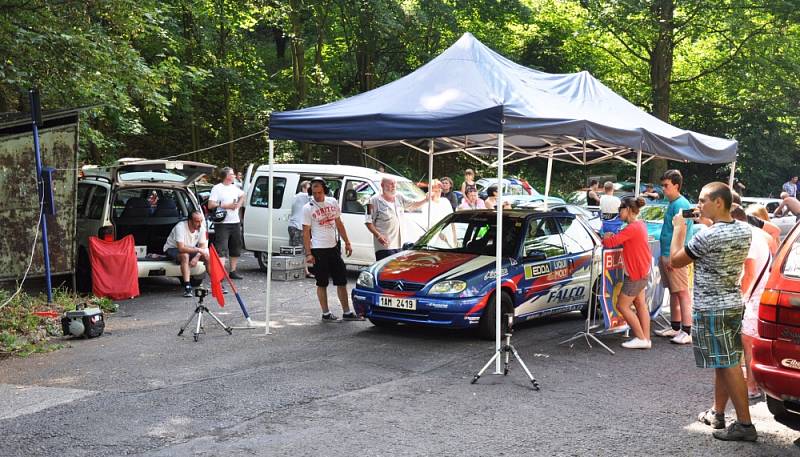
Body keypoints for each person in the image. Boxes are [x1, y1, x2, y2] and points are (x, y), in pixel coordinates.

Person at [670, 182, 757, 442]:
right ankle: (718, 413)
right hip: (732, 303)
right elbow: (723, 232)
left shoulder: (707, 236)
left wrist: (679, 228)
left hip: (712, 308)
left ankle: (745, 424)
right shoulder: (744, 229)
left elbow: (675, 261)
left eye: (702, 200)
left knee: (728, 363)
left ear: (718, 202)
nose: (698, 205)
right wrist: (708, 221)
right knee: (724, 360)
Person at [303, 177, 360, 322]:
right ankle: (326, 313)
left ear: (325, 190)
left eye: (319, 192)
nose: (316, 195)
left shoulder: (332, 202)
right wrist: (309, 253)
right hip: (318, 249)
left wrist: (347, 242)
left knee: (341, 281)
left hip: (333, 247)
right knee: (322, 282)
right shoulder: (308, 208)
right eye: (314, 192)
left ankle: (347, 312)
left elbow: (339, 223)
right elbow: (305, 232)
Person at [731, 205, 772, 400]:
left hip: (755, 298)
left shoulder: (748, 238)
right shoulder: (757, 234)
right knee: (751, 341)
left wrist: (740, 296)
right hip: (760, 295)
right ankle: (755, 383)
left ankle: (752, 387)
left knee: (748, 341)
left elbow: (748, 273)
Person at [601, 196, 652, 349]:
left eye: (620, 210)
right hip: (643, 271)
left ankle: (641, 338)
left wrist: (606, 237)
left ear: (628, 210)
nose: (618, 214)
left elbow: (611, 242)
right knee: (640, 304)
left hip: (635, 275)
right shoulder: (640, 225)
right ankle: (646, 338)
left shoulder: (631, 228)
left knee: (622, 305)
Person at [655, 169, 693, 344]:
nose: (663, 189)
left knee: (682, 292)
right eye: (663, 185)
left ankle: (687, 331)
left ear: (676, 186)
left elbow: (682, 232)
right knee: (674, 291)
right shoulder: (675, 203)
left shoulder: (681, 204)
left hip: (674, 255)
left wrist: (673, 257)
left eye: (666, 185)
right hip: (668, 254)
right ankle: (676, 327)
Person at [365, 177, 429, 261]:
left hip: (400, 245)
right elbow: (368, 221)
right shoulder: (372, 201)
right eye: (390, 184)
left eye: (395, 184)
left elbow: (412, 205)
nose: (393, 186)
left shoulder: (399, 196)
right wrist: (378, 235)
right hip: (385, 246)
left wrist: (426, 199)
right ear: (382, 185)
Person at [208, 167, 245, 279]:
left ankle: (233, 271)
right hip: (222, 223)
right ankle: (220, 273)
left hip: (235, 222)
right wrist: (226, 206)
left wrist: (238, 205)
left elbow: (243, 195)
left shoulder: (235, 188)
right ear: (227, 176)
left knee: (235, 246)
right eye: (232, 174)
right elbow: (210, 205)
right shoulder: (217, 188)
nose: (234, 176)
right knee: (221, 248)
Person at [163, 211, 209, 297]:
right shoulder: (180, 227)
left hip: (191, 248)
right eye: (197, 221)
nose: (200, 224)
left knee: (208, 256)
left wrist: (197, 257)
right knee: (185, 256)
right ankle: (187, 286)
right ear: (190, 221)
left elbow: (203, 246)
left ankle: (216, 283)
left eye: (201, 221)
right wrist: (198, 250)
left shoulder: (201, 227)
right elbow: (181, 248)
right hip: (173, 248)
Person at [289, 180, 312, 277]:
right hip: (297, 227)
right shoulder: (302, 196)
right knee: (298, 250)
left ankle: (304, 271)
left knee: (300, 249)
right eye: (309, 188)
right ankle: (299, 271)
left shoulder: (298, 197)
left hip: (295, 226)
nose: (311, 191)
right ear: (303, 188)